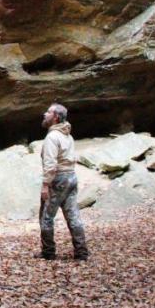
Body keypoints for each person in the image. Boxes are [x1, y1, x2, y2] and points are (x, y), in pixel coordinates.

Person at [37, 103, 89, 260]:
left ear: (56, 117)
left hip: (58, 179)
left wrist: (45, 185)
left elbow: (51, 164)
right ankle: (81, 252)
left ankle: (48, 252)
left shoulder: (52, 137)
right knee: (73, 215)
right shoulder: (68, 135)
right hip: (71, 177)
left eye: (48, 112)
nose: (44, 114)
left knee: (46, 216)